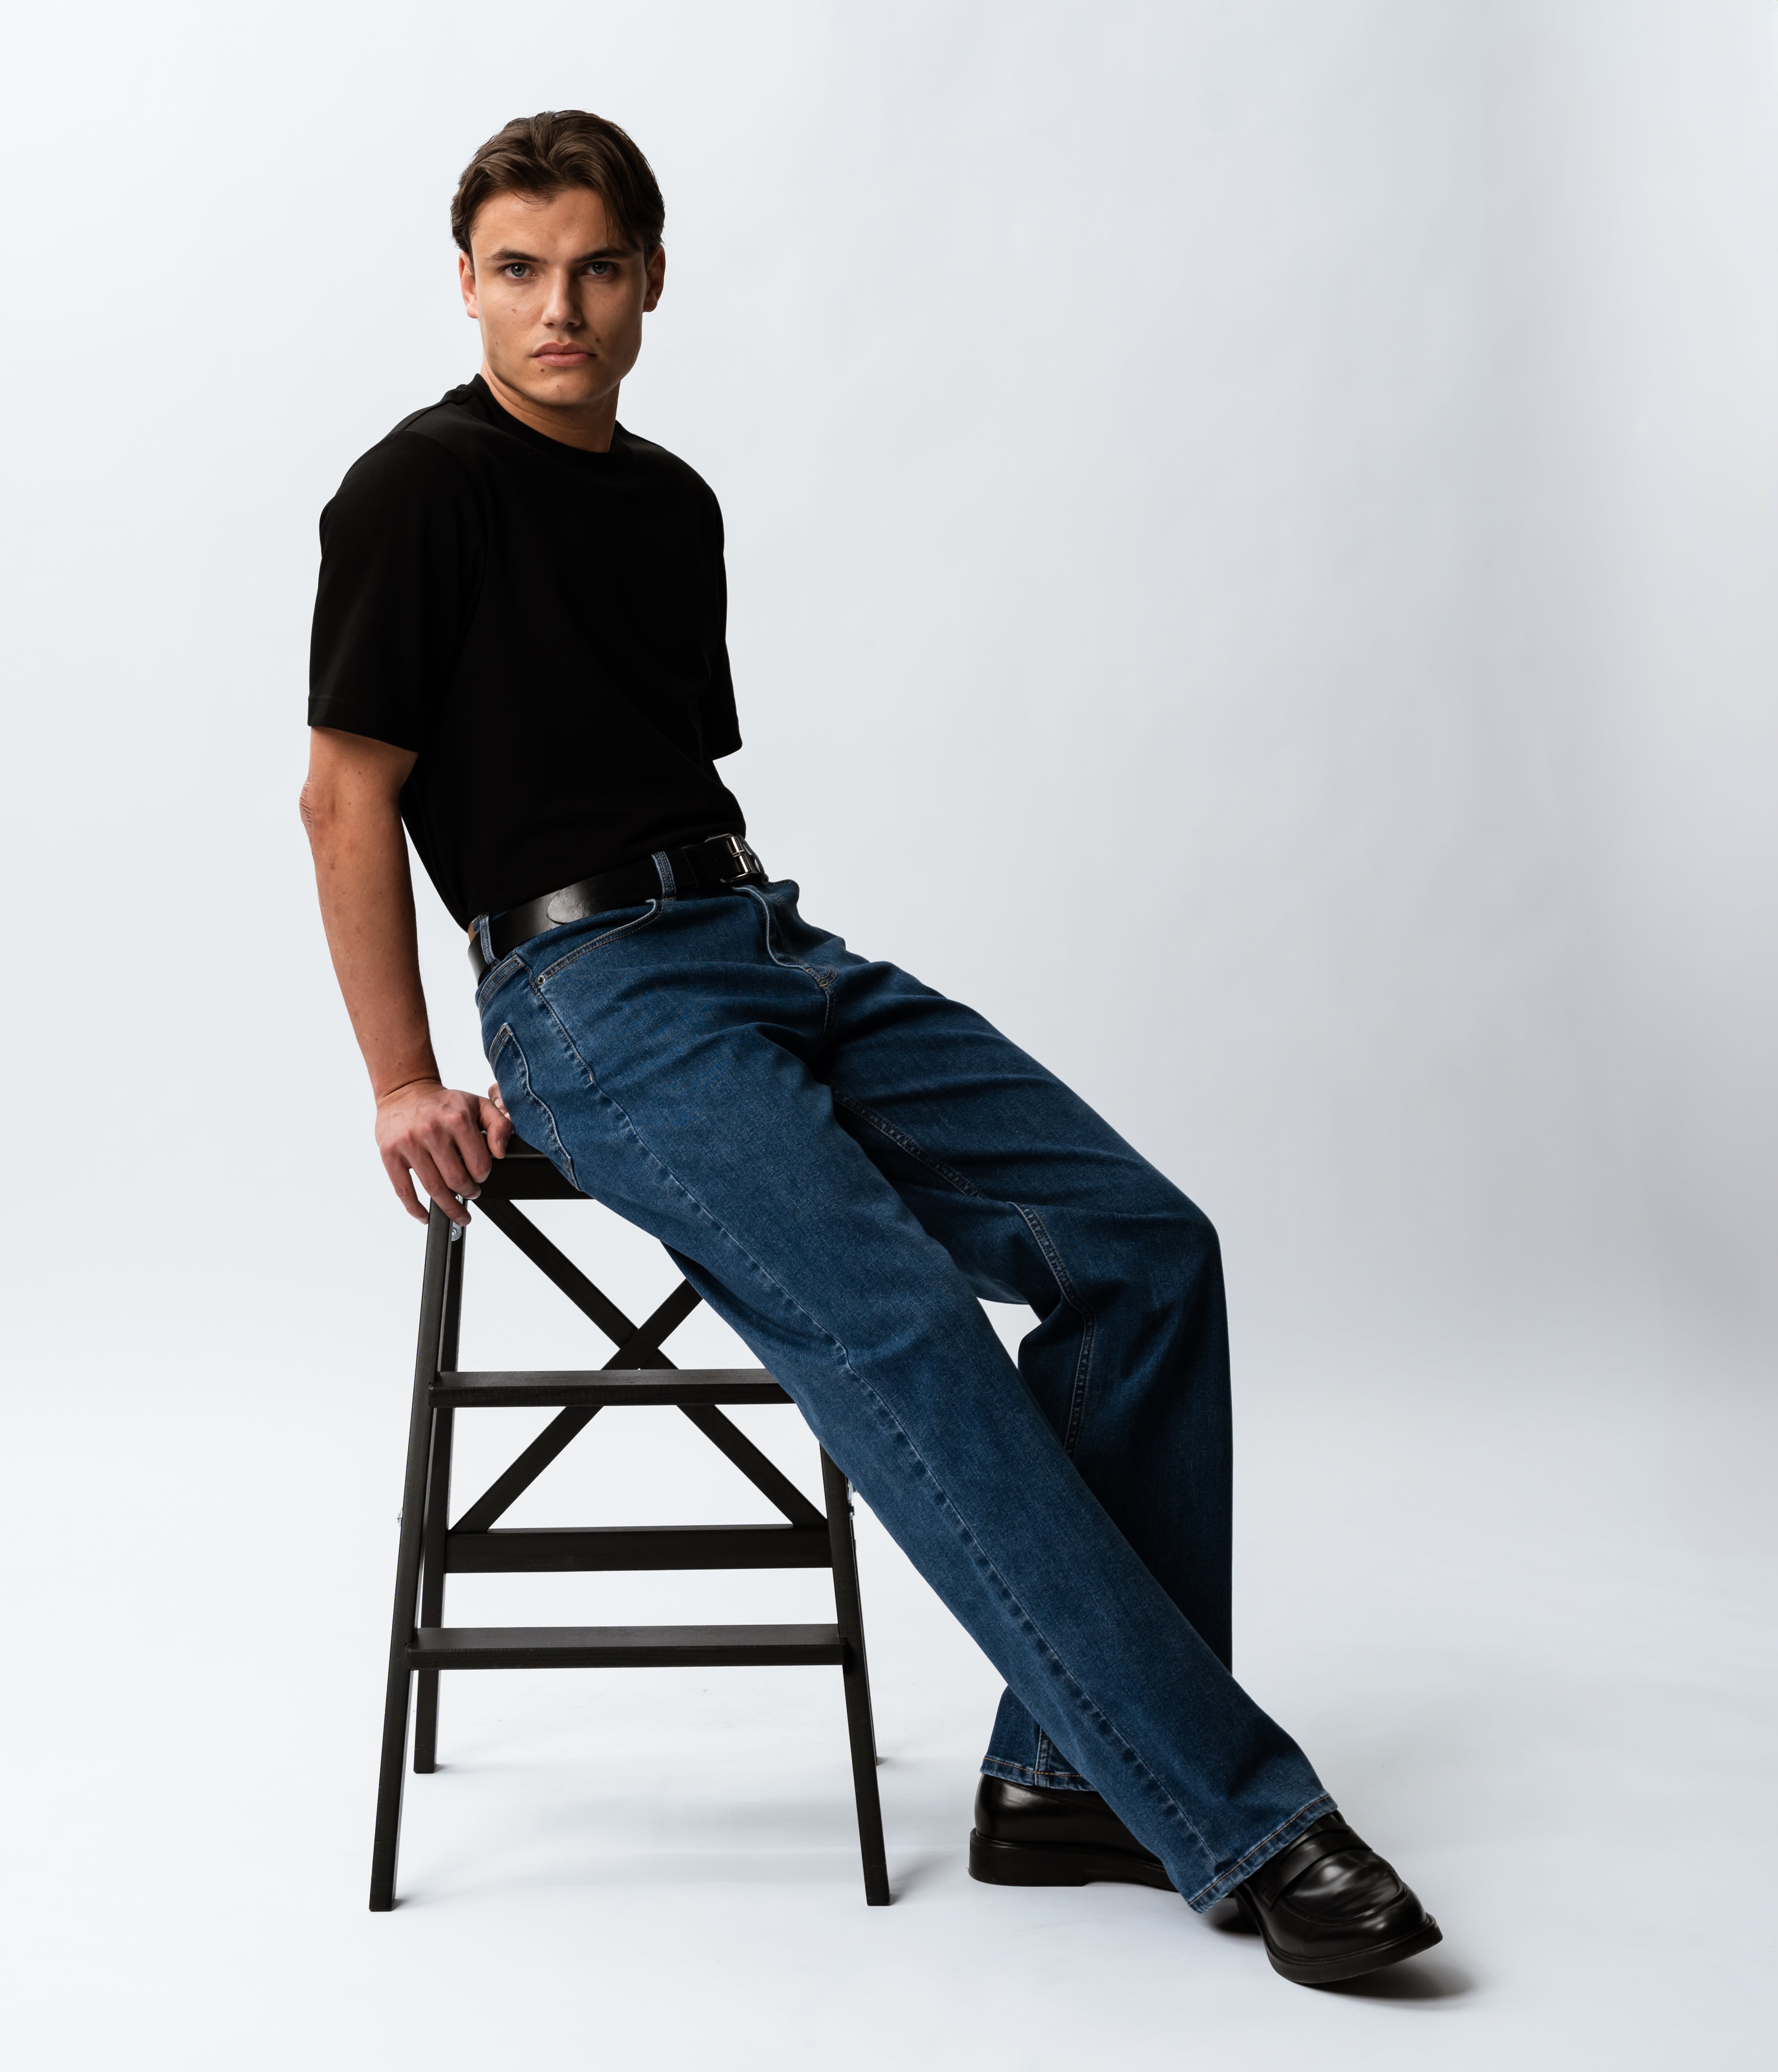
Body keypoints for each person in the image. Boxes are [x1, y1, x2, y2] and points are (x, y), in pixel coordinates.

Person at [299, 109, 1441, 1986]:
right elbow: (345, 797)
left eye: (594, 269)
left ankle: (1064, 1775)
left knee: (1146, 1249)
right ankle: (1244, 1815)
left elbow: (655, 769)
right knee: (900, 1320)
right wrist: (402, 1079)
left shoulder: (671, 506)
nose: (558, 307)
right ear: (468, 285)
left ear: (650, 281)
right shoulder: (416, 491)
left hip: (761, 942)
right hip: (586, 997)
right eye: (518, 271)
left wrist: (758, 959)